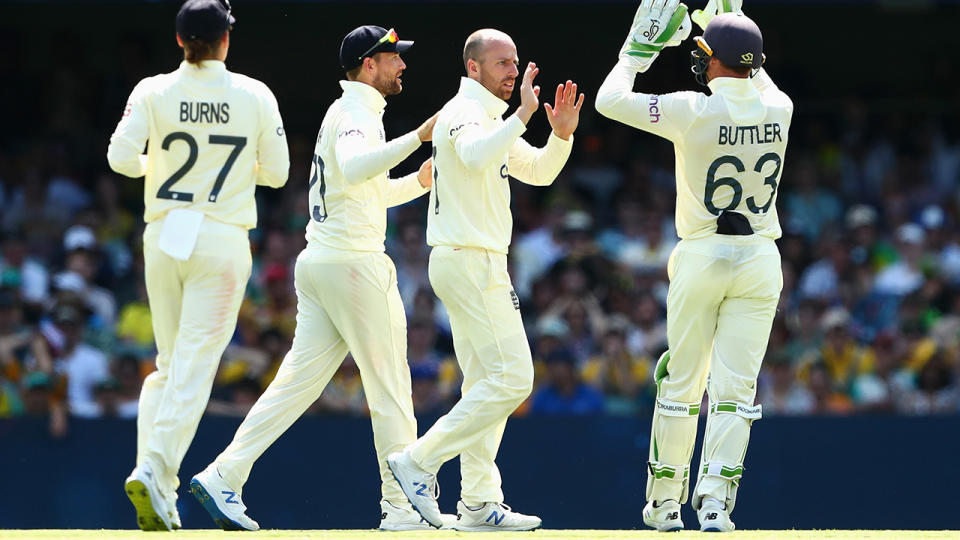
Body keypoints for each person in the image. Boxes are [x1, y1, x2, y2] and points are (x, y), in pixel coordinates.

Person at [188, 25, 449, 531]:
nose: (402, 66)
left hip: (323, 263)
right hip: (353, 265)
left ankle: (225, 474)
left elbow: (363, 189)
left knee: (295, 386)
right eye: (394, 58)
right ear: (369, 65)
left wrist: (417, 181)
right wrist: (418, 138)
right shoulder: (355, 113)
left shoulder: (351, 112)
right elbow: (354, 169)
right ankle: (400, 510)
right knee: (392, 387)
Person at [596, 0, 792, 532]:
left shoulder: (693, 108)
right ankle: (715, 507)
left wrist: (636, 51)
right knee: (736, 392)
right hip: (760, 258)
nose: (699, 60)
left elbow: (609, 100)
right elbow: (755, 72)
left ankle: (664, 506)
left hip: (703, 252)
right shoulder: (782, 107)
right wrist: (720, 29)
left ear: (714, 61)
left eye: (705, 54)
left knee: (682, 384)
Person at [387, 28, 584, 531]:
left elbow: (538, 172)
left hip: (477, 260)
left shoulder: (493, 119)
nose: (513, 71)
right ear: (472, 68)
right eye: (501, 63)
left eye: (514, 62)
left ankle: (477, 501)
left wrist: (560, 135)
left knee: (484, 384)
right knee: (514, 379)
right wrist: (521, 115)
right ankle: (419, 460)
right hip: (469, 260)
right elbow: (474, 155)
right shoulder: (462, 114)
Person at [106, 0, 289, 531]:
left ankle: (157, 486)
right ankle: (154, 467)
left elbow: (120, 158)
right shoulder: (254, 94)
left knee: (168, 366)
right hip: (221, 235)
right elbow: (276, 174)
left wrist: (156, 164)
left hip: (164, 232)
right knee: (192, 368)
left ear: (181, 40)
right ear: (225, 40)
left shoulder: (153, 89)